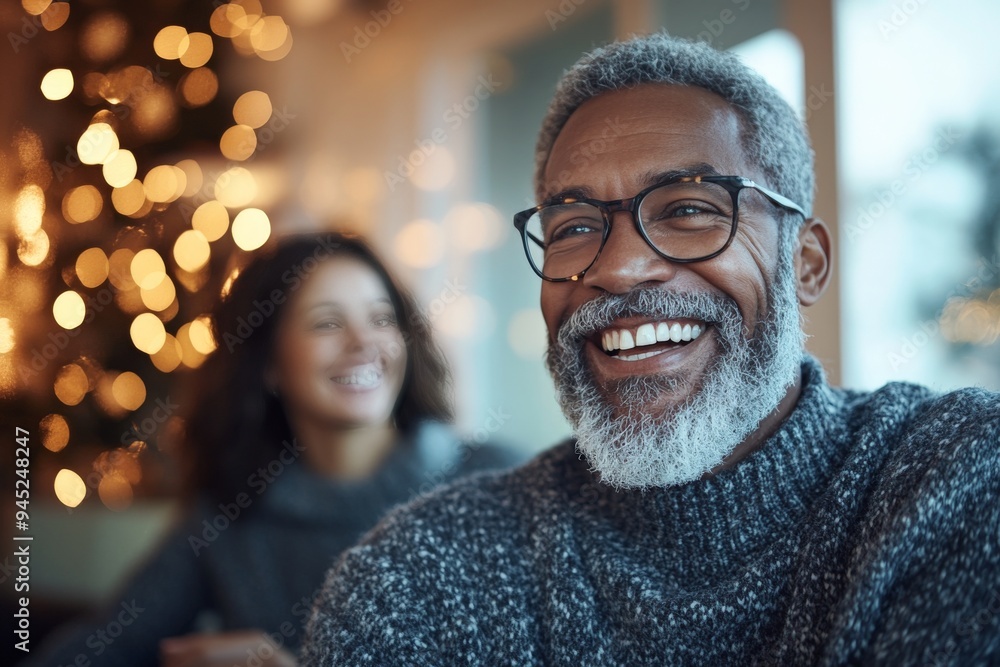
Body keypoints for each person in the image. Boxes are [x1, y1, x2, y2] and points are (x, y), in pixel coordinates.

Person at [300, 34, 1000, 666]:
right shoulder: (423, 575)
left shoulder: (957, 479)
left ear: (806, 263)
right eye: (572, 225)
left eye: (689, 209)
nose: (621, 268)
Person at [24, 232, 520, 667]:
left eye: (382, 318)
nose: (364, 341)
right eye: (327, 323)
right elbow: (106, 645)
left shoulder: (498, 484)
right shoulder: (228, 514)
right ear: (268, 366)